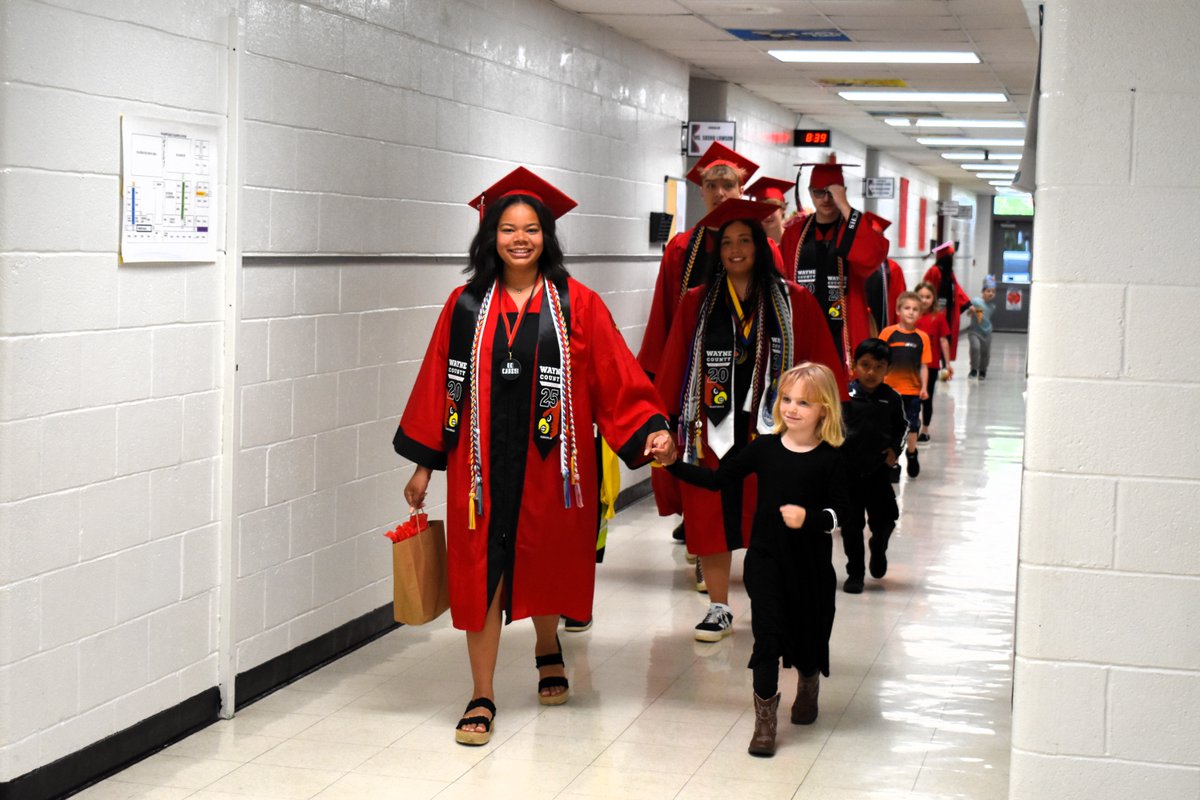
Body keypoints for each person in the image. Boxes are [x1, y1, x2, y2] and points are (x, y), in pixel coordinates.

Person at [393, 167, 675, 746]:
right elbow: (440, 386)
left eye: (531, 229)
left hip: (554, 464)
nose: (519, 239)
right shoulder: (465, 305)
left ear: (547, 236)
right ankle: (482, 692)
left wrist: (651, 429)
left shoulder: (576, 304)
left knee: (545, 559)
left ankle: (548, 647)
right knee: (480, 574)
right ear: (490, 236)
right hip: (478, 468)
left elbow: (613, 373)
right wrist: (424, 466)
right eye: (507, 229)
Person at [654, 198, 846, 643]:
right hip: (711, 429)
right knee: (710, 516)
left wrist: (822, 423)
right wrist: (663, 421)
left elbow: (820, 363)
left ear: (760, 246)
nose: (736, 250)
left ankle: (778, 603)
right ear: (717, 251)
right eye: (727, 243)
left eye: (744, 241)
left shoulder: (793, 301)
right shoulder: (697, 303)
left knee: (777, 515)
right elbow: (675, 362)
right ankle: (719, 606)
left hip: (776, 431)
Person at [664, 362, 849, 756]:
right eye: (786, 399)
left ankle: (809, 680)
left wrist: (810, 518)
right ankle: (765, 722)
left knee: (808, 638)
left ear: (825, 410)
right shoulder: (764, 449)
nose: (792, 408)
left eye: (804, 403)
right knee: (767, 638)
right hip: (766, 561)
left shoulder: (833, 457)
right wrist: (672, 464)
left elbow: (841, 514)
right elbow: (717, 480)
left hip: (811, 568)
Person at [637, 142, 764, 548]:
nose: (720, 193)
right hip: (695, 373)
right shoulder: (681, 248)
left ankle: (750, 532)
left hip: (751, 373)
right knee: (695, 451)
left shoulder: (763, 248)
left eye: (728, 185)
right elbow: (664, 314)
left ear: (741, 189)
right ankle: (698, 529)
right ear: (701, 191)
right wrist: (659, 374)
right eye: (711, 185)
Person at [780, 156, 890, 376]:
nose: (826, 199)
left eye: (832, 192)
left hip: (844, 330)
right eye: (819, 192)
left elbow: (873, 254)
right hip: (804, 327)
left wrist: (845, 206)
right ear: (810, 193)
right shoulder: (795, 235)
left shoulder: (853, 229)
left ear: (843, 192)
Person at [839, 339, 907, 593]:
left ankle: (878, 547)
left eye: (879, 367)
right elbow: (831, 428)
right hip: (848, 473)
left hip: (878, 472)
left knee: (886, 519)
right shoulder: (845, 396)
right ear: (855, 365)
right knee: (851, 526)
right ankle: (855, 573)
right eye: (865, 365)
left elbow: (903, 428)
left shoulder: (892, 399)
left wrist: (895, 450)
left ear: (887, 369)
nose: (871, 372)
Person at [879, 292, 931, 479]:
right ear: (898, 310)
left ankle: (912, 452)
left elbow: (924, 366)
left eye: (915, 309)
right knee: (889, 427)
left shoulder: (922, 337)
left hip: (912, 391)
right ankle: (892, 462)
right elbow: (879, 360)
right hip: (889, 390)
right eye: (907, 308)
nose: (911, 312)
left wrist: (924, 388)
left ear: (920, 314)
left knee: (911, 425)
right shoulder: (888, 333)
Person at [914, 281, 952, 442]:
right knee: (912, 398)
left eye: (928, 297)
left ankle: (925, 429)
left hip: (931, 365)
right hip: (912, 365)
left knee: (926, 397)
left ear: (933, 299)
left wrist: (948, 364)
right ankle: (913, 425)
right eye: (921, 296)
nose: (924, 300)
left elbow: (943, 341)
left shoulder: (938, 317)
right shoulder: (911, 316)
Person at [922, 241, 972, 363]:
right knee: (936, 338)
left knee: (946, 338)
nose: (951, 259)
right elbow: (926, 290)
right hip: (935, 311)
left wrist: (968, 304)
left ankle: (945, 364)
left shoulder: (949, 274)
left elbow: (957, 289)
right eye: (949, 257)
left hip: (948, 312)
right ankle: (933, 363)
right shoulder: (934, 271)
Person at [859, 212, 906, 335]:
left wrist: (899, 332)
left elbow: (900, 302)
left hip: (886, 330)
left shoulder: (893, 268)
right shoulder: (852, 264)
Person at [744, 175, 796, 245]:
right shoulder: (753, 246)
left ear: (783, 209)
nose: (768, 215)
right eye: (762, 209)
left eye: (772, 208)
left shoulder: (797, 241)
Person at [967, 275, 998, 379]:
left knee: (985, 353)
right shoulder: (976, 301)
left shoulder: (992, 306)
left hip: (986, 333)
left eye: (993, 292)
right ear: (983, 292)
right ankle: (973, 369)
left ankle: (982, 371)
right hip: (974, 332)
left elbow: (984, 317)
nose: (991, 293)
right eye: (988, 291)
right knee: (975, 348)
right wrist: (971, 312)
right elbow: (969, 313)